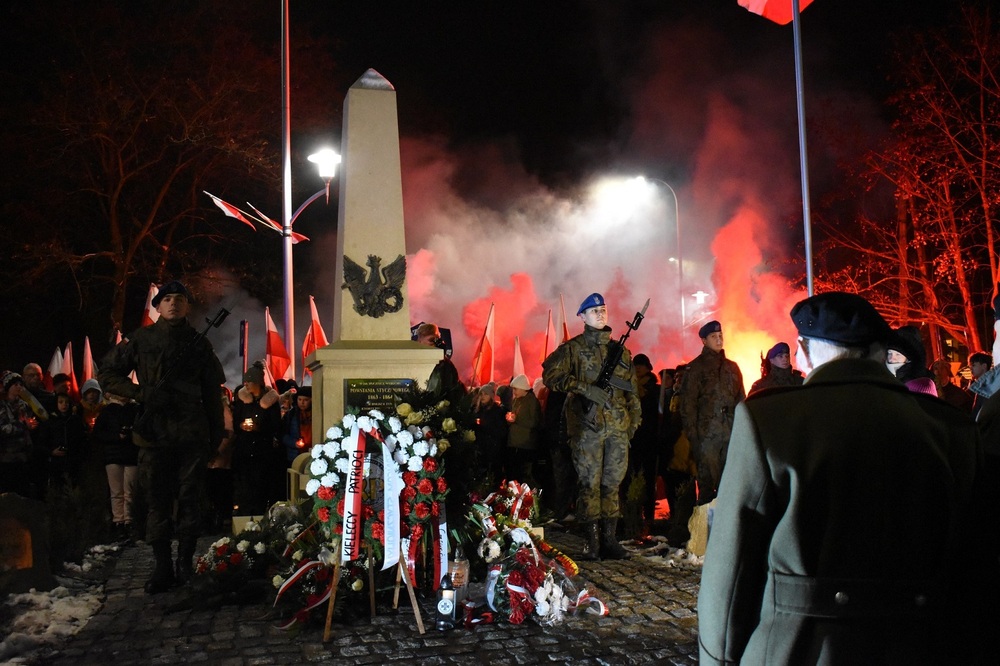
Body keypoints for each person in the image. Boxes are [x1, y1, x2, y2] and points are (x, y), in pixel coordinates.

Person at [698, 291, 989, 665]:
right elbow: (977, 571)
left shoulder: (768, 420)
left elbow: (731, 570)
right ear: (882, 351)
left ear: (803, 348)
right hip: (921, 644)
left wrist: (717, 658)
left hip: (797, 647)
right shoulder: (951, 427)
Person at [98, 280, 226, 594]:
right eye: (166, 299)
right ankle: (162, 565)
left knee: (189, 499)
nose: (173, 304)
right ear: (158, 306)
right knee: (156, 500)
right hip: (154, 434)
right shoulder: (141, 340)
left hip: (191, 434)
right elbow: (107, 374)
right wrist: (141, 393)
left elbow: (212, 394)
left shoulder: (199, 343)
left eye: (180, 299)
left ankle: (184, 562)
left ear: (187, 306)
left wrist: (216, 436)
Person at [542, 292, 641, 560]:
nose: (600, 313)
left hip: (617, 428)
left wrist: (632, 423)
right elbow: (550, 375)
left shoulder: (621, 351)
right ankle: (592, 542)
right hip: (587, 428)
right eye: (594, 310)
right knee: (589, 484)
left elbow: (632, 390)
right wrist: (584, 389)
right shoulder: (572, 349)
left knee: (612, 484)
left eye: (603, 309)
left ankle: (610, 539)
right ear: (582, 317)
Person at [679, 320, 744, 505]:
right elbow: (688, 404)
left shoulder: (732, 368)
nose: (719, 339)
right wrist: (693, 436)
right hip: (707, 434)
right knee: (707, 485)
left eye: (720, 335)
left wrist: (740, 428)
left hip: (730, 430)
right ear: (704, 340)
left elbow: (741, 399)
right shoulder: (696, 368)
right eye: (713, 337)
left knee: (730, 483)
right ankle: (705, 529)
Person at [230, 360, 282, 516]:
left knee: (261, 485)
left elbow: (275, 425)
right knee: (244, 486)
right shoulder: (242, 400)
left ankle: (260, 513)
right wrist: (242, 426)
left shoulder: (270, 402)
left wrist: (258, 428)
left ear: (258, 382)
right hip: (244, 450)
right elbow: (236, 421)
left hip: (262, 450)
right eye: (245, 382)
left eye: (249, 382)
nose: (246, 385)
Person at [92, 392, 140, 541]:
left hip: (131, 454)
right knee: (116, 491)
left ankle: (129, 521)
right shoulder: (108, 410)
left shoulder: (135, 409)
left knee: (130, 490)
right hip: (113, 455)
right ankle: (119, 522)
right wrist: (115, 436)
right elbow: (98, 432)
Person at [626, 353, 660, 537]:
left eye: (641, 366)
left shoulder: (655, 389)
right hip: (633, 439)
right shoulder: (630, 388)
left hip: (649, 439)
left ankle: (649, 516)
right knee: (632, 477)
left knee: (647, 479)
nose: (638, 369)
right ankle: (633, 512)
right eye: (635, 366)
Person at [0, 371, 42, 498]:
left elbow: (29, 423)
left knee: (22, 493)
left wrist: (32, 425)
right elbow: (3, 429)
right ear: (8, 387)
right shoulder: (1, 405)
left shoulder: (24, 405)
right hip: (6, 457)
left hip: (23, 457)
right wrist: (23, 426)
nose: (19, 387)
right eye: (15, 385)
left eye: (20, 384)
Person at [504, 374, 541, 485]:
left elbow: (534, 422)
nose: (513, 391)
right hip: (513, 443)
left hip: (525, 444)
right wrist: (509, 419)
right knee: (511, 474)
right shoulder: (516, 401)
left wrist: (516, 419)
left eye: (515, 388)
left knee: (522, 476)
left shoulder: (532, 401)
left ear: (522, 387)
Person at [472, 383, 508, 489]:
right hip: (480, 448)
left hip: (493, 449)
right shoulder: (476, 410)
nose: (482, 396)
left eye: (486, 394)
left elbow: (501, 431)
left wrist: (485, 428)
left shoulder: (497, 411)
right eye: (481, 394)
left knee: (494, 475)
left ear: (491, 396)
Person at [887, 324, 937, 395]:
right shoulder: (883, 378)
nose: (892, 358)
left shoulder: (926, 383)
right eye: (890, 353)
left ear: (909, 358)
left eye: (898, 355)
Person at [281, 385, 312, 464]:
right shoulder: (291, 415)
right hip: (295, 455)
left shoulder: (316, 415)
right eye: (300, 399)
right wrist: (294, 443)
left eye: (306, 400)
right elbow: (282, 434)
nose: (302, 403)